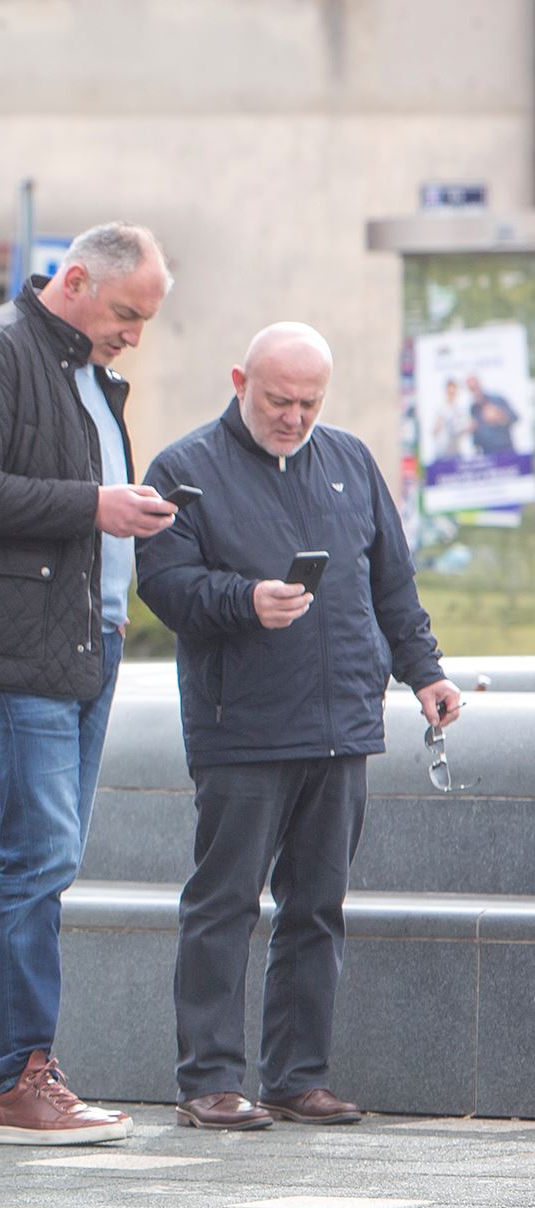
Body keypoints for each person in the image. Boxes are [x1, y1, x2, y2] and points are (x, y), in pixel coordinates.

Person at [138, 323, 461, 1131]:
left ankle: (296, 1076)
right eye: (279, 400)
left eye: (310, 402)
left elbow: (392, 583)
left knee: (318, 906)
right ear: (239, 380)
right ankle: (208, 1080)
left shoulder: (349, 459)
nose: (294, 417)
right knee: (224, 904)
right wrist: (246, 600)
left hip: (342, 721)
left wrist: (424, 670)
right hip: (242, 725)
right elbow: (165, 584)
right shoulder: (184, 468)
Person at [0, 222, 176, 1146]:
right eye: (127, 312)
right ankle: (19, 1077)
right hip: (15, 645)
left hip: (81, 641)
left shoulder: (81, 369)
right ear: (76, 279)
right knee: (39, 857)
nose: (134, 334)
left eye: (145, 320)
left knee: (38, 858)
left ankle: (11, 1076)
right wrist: (95, 505)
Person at [465, 374, 520, 458]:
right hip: (486, 452)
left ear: (479, 385)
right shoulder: (473, 408)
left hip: (504, 449)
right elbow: (476, 434)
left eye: (475, 387)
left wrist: (499, 416)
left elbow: (515, 417)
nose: (474, 391)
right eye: (471, 389)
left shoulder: (497, 400)